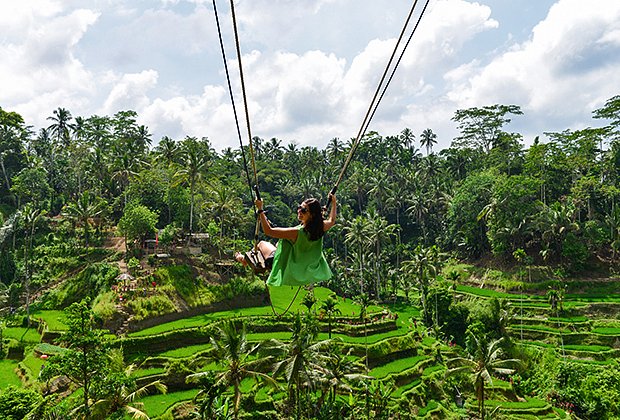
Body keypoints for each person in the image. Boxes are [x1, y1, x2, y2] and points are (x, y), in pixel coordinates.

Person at [236, 194, 337, 287]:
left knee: (262, 244)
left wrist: (260, 210)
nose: (299, 211)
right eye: (299, 208)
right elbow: (332, 220)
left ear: (312, 215)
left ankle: (243, 260)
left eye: (304, 210)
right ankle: (247, 260)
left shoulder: (296, 232)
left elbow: (268, 231)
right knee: (277, 245)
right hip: (306, 271)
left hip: (287, 269)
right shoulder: (321, 227)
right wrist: (334, 202)